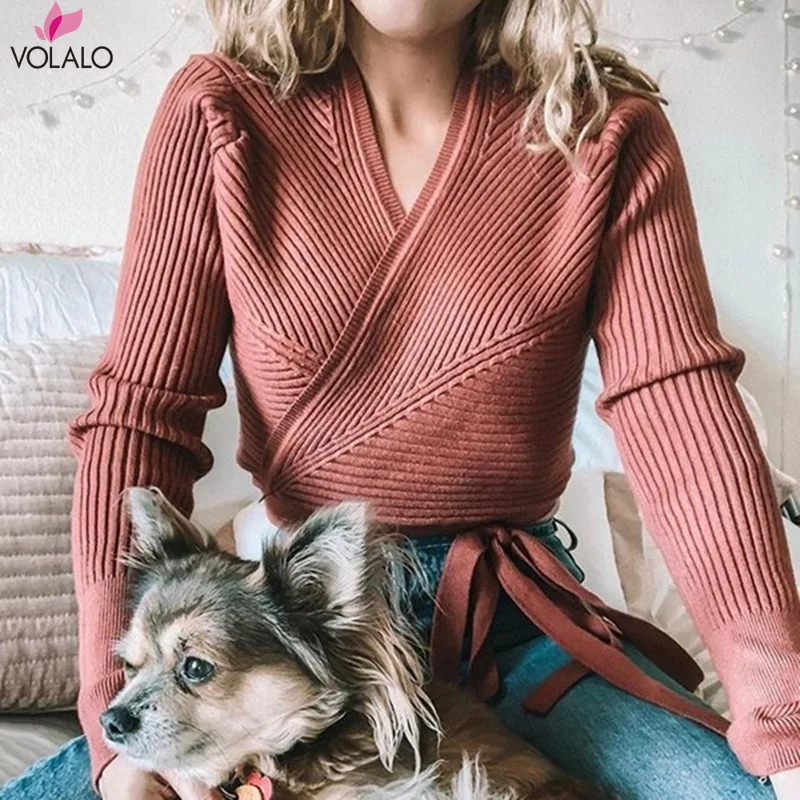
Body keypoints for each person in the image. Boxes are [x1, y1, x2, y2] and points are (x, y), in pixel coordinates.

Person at [3, 1, 800, 798]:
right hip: (297, 636)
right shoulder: (221, 110)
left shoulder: (603, 128)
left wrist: (784, 719)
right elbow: (140, 420)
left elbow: (682, 409)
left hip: (520, 628)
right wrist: (116, 736)